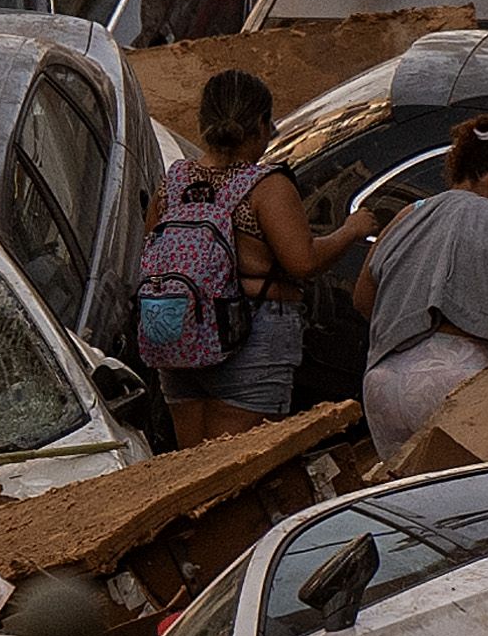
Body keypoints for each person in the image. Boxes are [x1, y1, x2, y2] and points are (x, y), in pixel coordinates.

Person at [138, 69, 378, 443]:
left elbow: (150, 249)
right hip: (251, 337)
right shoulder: (265, 186)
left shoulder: (175, 182)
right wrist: (350, 230)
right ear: (262, 124)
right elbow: (303, 262)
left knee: (188, 469)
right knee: (236, 470)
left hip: (176, 334)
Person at [350, 119, 488, 461]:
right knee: (474, 497)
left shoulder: (406, 214)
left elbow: (362, 299)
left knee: (412, 498)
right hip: (451, 377)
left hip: (380, 384)